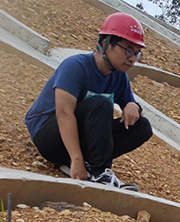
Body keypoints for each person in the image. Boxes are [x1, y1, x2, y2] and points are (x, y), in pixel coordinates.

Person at [25, 13, 153, 191]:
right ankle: (99, 172)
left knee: (142, 127)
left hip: (79, 136)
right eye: (128, 50)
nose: (132, 58)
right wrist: (77, 160)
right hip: (49, 136)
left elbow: (130, 107)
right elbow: (64, 114)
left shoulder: (119, 76)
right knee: (100, 103)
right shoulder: (75, 67)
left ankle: (90, 164)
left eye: (137, 54)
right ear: (105, 43)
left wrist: (134, 106)